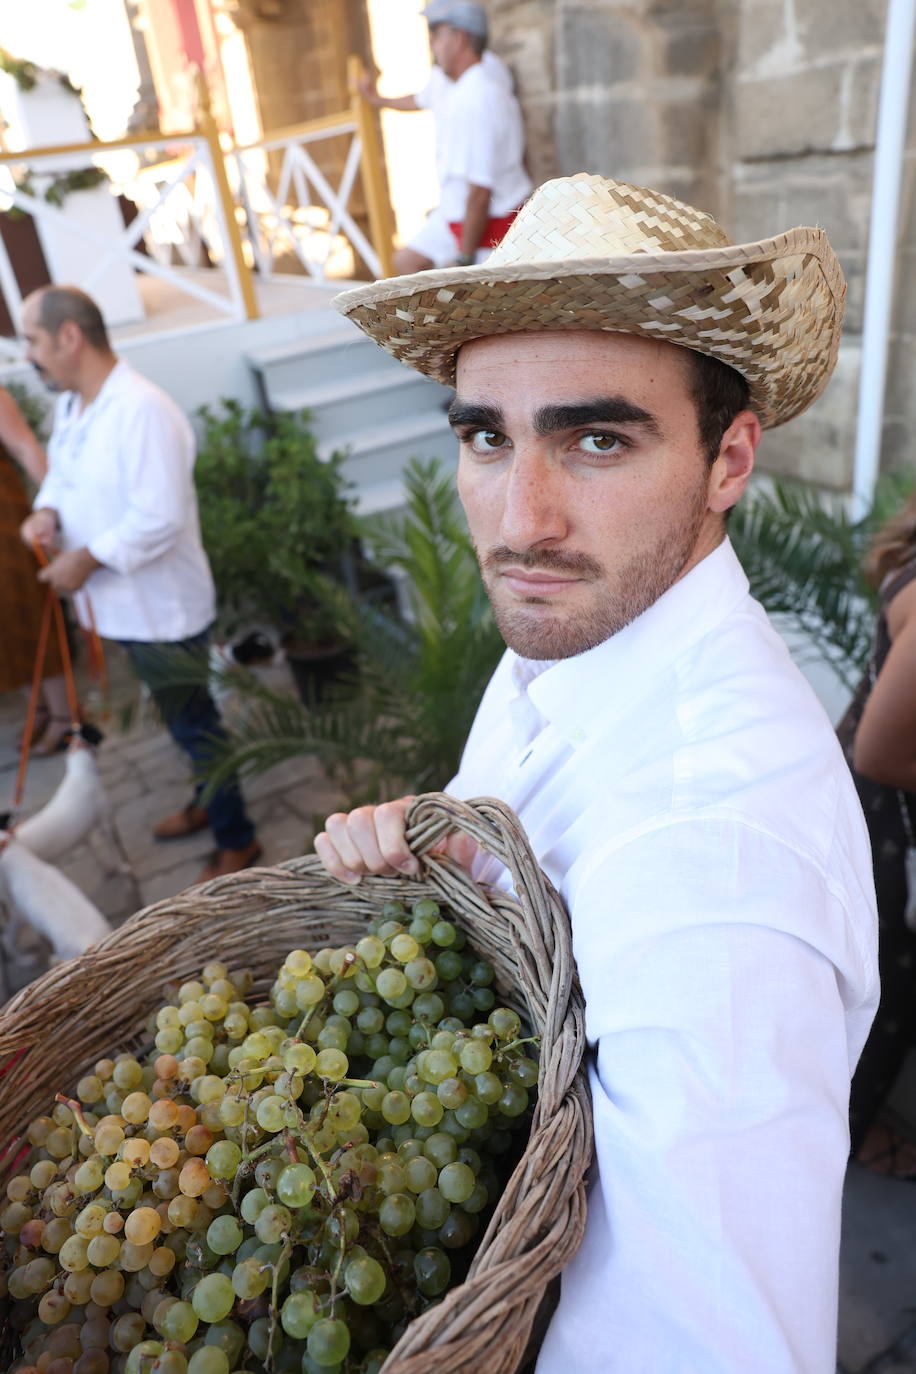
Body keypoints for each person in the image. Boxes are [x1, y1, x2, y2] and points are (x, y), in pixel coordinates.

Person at [316, 173, 879, 1372]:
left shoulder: (715, 863)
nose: (521, 519)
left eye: (598, 438)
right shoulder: (581, 639)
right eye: (485, 436)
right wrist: (445, 860)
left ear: (729, 460)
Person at [18, 285, 260, 882]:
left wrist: (86, 560)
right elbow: (63, 479)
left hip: (160, 609)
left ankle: (239, 837)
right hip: (121, 608)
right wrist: (46, 511)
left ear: (70, 336)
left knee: (195, 724)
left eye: (33, 340)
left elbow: (159, 516)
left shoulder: (142, 408)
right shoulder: (74, 405)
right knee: (183, 721)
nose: (28, 354)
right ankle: (210, 802)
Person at [838, 493, 916, 1176]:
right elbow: (880, 753)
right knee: (887, 988)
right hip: (880, 816)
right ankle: (851, 1138)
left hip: (866, 804)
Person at [360, 1, 531, 272]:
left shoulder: (477, 96)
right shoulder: (452, 80)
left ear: (460, 37)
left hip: (488, 221)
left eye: (437, 33)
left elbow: (479, 192)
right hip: (457, 213)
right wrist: (375, 99)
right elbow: (418, 99)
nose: (431, 42)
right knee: (405, 264)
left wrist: (464, 258)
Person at [0, 385, 78, 756]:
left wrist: (61, 511)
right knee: (7, 630)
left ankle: (66, 717)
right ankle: (42, 710)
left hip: (5, 524)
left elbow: (25, 446)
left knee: (30, 616)